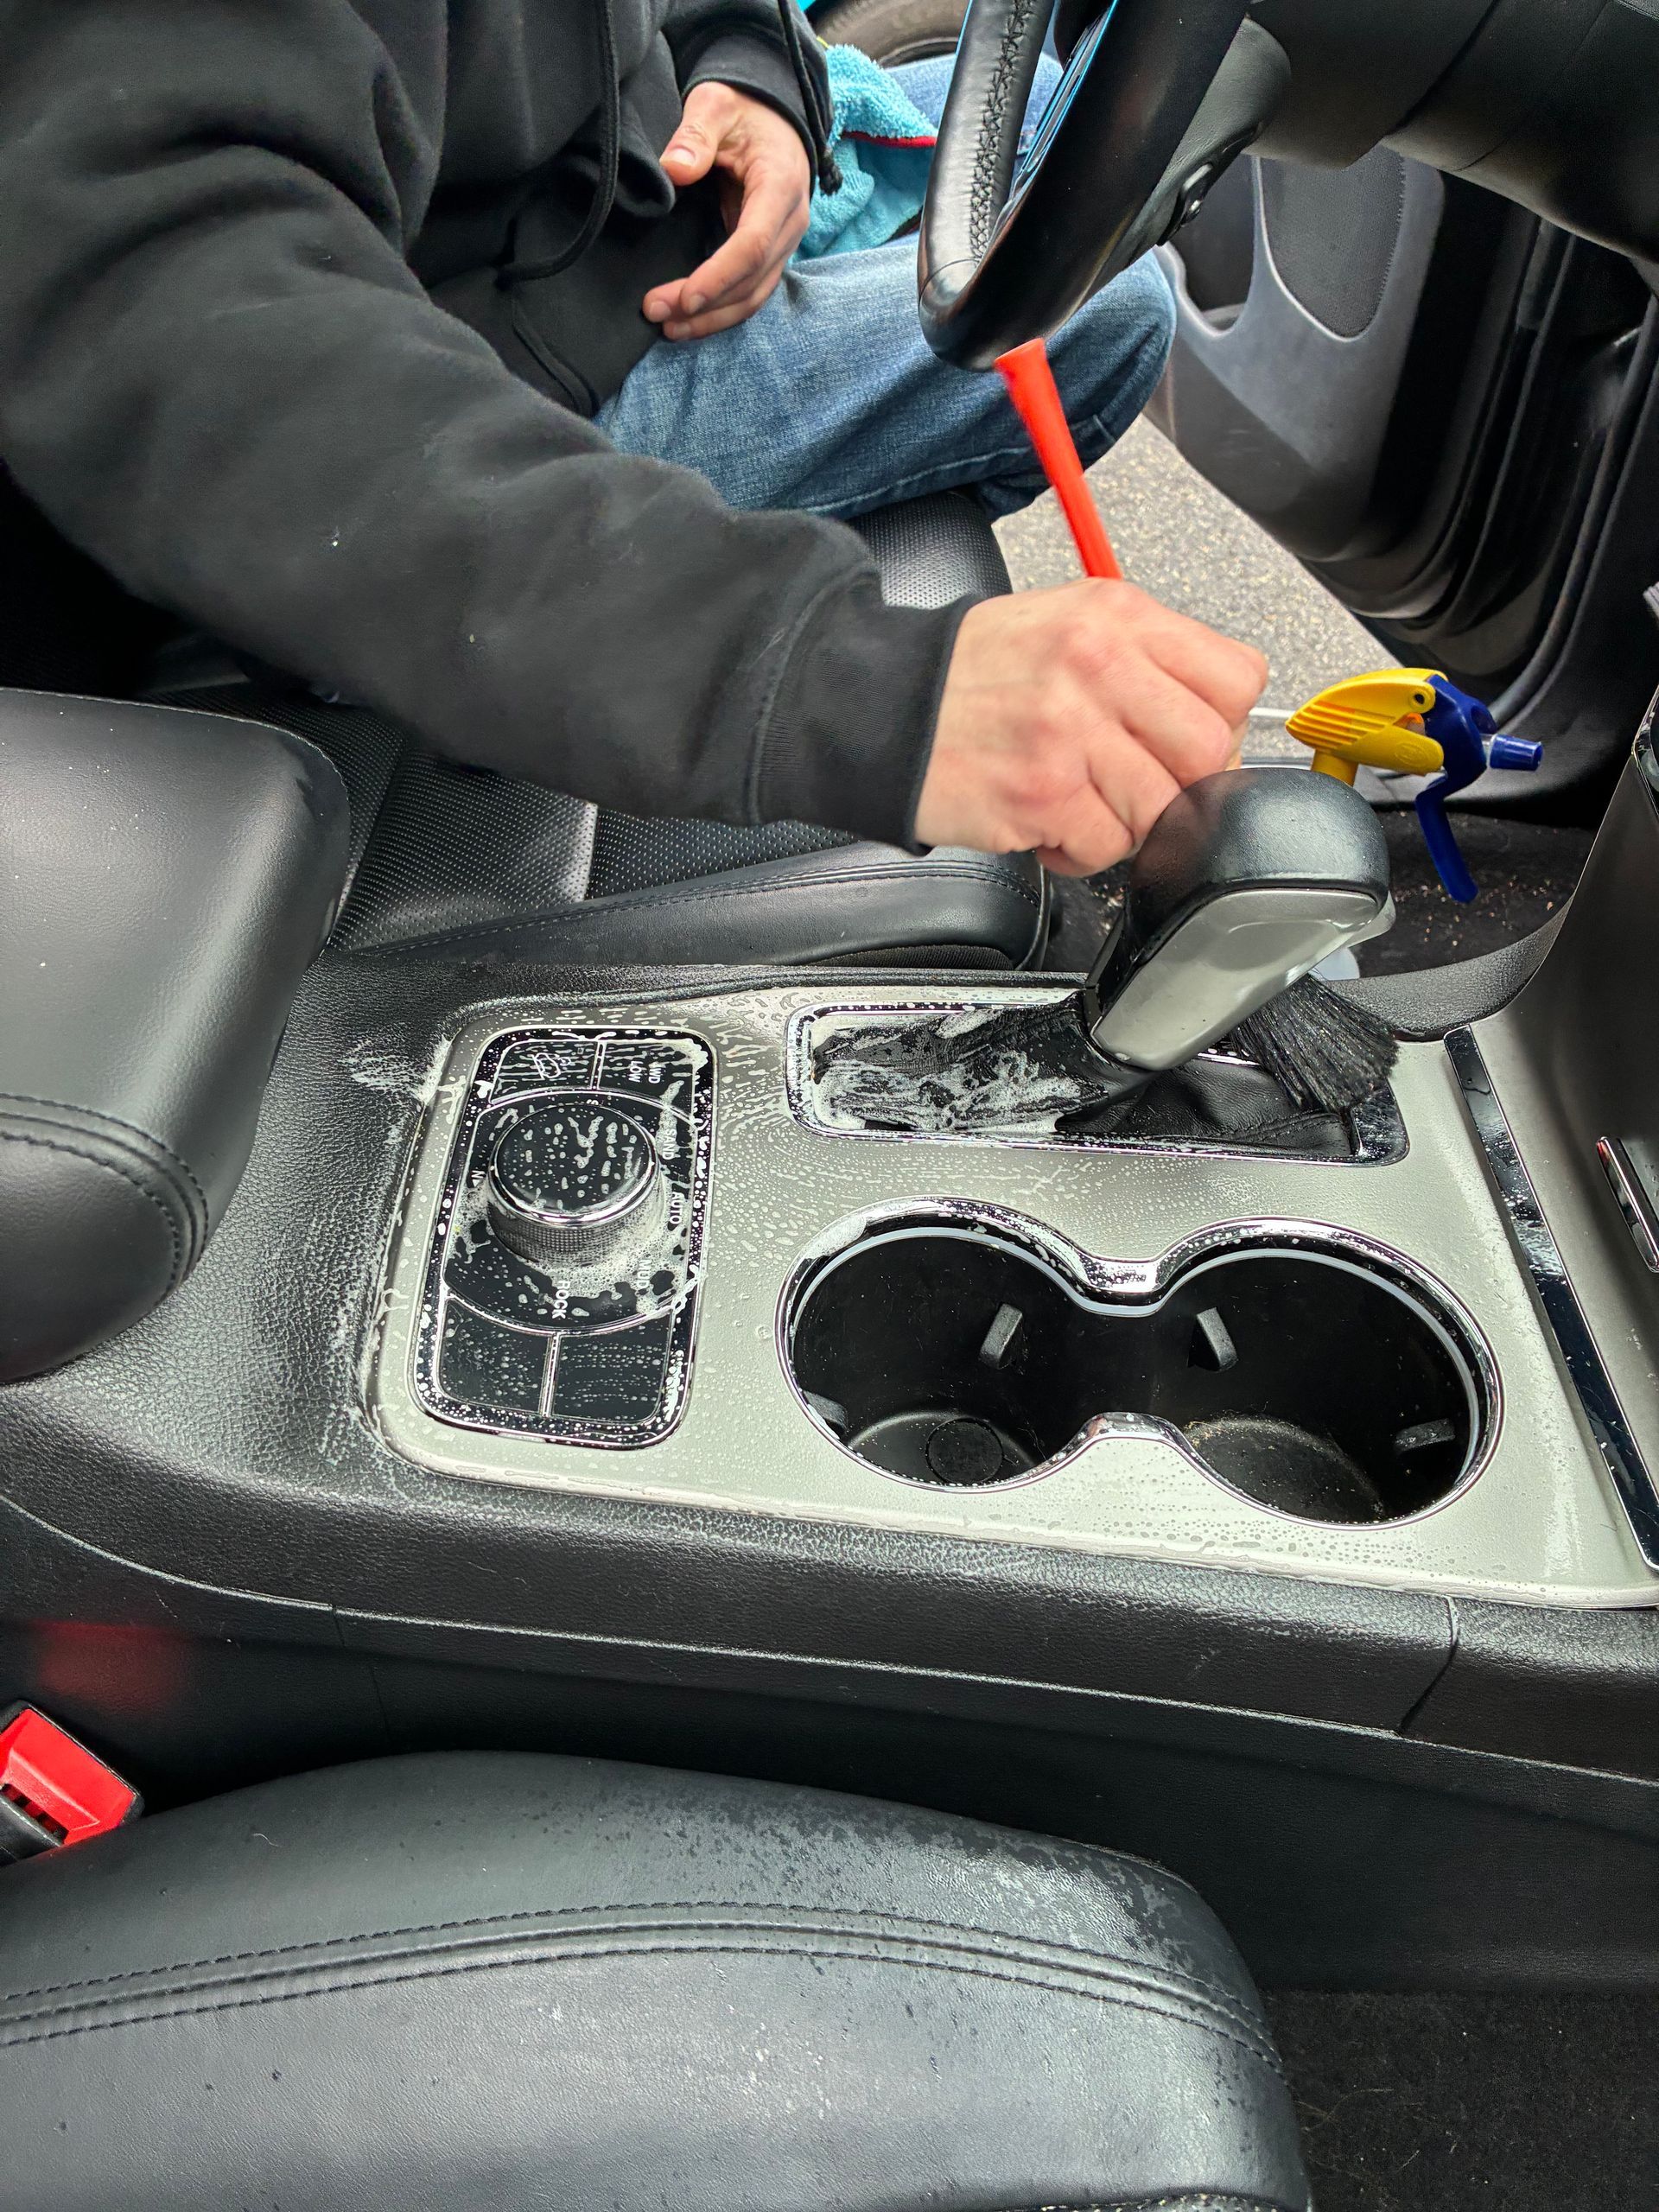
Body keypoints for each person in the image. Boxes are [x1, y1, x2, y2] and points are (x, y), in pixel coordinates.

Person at [0, 0, 1266, 879]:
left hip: (607, 237)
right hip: (433, 410)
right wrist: (848, 683)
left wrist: (752, 84)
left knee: (1041, 103)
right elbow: (190, 327)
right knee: (1111, 309)